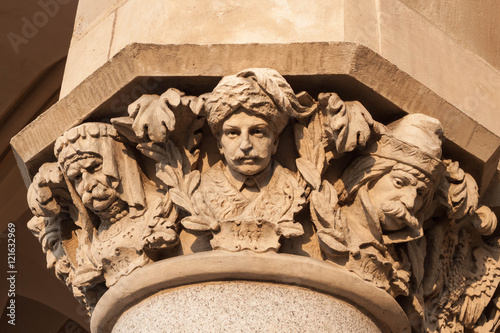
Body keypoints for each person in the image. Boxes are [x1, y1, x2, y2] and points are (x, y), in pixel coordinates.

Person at [317, 113, 445, 296]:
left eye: (420, 193)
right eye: (399, 183)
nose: (410, 202)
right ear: (368, 175)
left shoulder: (404, 262)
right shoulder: (326, 219)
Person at [192, 68, 315, 251]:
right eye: (233, 133)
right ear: (219, 144)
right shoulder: (198, 189)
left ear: (275, 142)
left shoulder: (295, 188)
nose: (245, 145)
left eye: (257, 132)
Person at [54, 122, 178, 287]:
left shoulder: (157, 212)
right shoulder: (89, 249)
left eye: (94, 167)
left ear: (119, 163)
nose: (87, 185)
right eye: (76, 177)